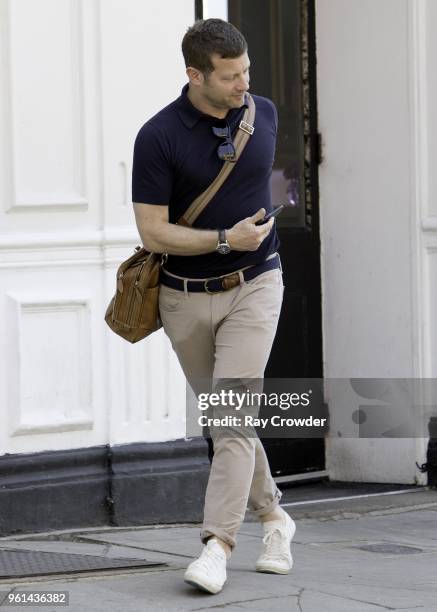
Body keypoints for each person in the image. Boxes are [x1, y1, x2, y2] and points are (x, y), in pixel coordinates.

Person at [132, 18, 296, 595]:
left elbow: (279, 181)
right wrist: (225, 238)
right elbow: (152, 232)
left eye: (245, 70)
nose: (243, 85)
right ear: (194, 75)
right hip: (184, 297)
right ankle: (275, 517)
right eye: (229, 77)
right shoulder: (158, 136)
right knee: (230, 421)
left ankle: (216, 546)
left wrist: (270, 217)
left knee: (229, 420)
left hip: (256, 284)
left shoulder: (264, 114)